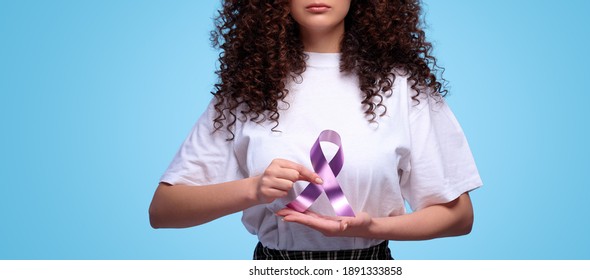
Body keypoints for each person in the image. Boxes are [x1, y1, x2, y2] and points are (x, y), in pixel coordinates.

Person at [149, 0, 482, 260]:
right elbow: (164, 210)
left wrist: (373, 227)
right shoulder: (247, 90)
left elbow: (459, 217)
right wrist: (254, 189)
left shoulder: (404, 90)